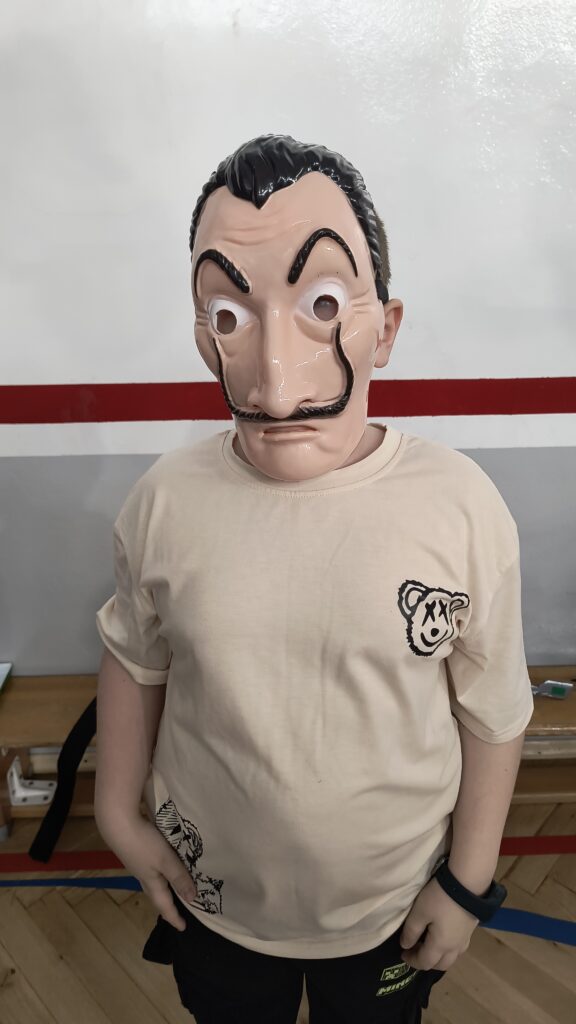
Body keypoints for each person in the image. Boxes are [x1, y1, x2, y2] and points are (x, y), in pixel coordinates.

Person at [94, 135, 534, 1023]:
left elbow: (493, 709)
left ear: (386, 328)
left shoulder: (460, 506)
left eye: (323, 304)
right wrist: (117, 817)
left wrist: (467, 882)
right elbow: (135, 659)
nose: (277, 383)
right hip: (213, 904)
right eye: (230, 316)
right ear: (202, 334)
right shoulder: (163, 502)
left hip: (392, 909)